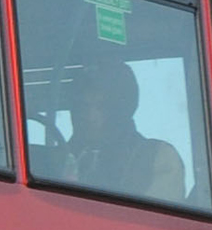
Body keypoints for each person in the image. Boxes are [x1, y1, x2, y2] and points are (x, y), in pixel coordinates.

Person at [59, 57, 190, 206]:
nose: (89, 117)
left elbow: (154, 223)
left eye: (101, 106)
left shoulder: (157, 157)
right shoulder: (55, 161)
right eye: (82, 107)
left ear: (122, 110)